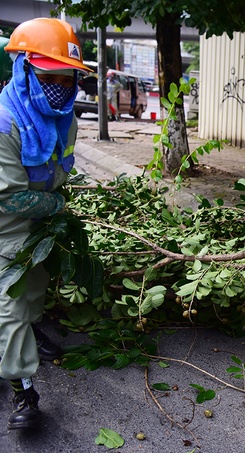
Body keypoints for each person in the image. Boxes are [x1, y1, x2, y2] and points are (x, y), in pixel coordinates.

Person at [0, 17, 92, 430]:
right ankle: (23, 391)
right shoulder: (5, 123)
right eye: (50, 76)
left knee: (36, 284)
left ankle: (31, 332)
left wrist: (56, 203)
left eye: (69, 77)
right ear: (24, 70)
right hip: (6, 224)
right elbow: (9, 196)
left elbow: (61, 168)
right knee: (12, 303)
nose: (61, 86)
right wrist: (57, 204)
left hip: (41, 221)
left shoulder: (64, 116)